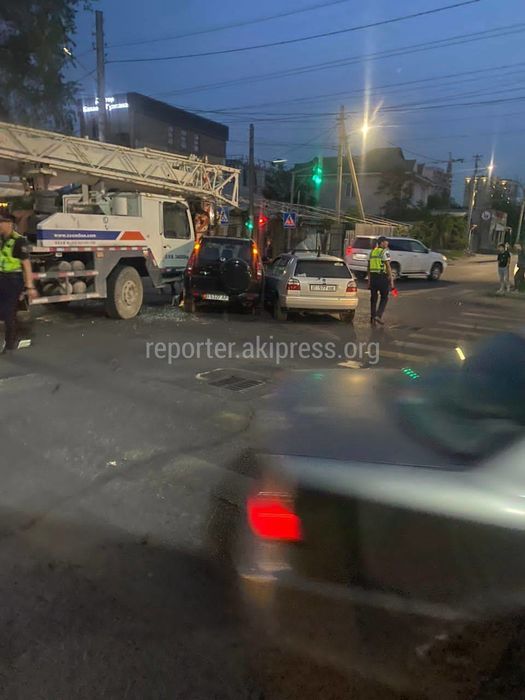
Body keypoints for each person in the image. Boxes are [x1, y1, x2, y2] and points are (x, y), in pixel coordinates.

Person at [0, 213, 37, 352]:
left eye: (1, 222)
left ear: (9, 224)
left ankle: (10, 343)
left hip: (13, 280)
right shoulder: (1, 239)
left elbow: (26, 265)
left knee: (8, 311)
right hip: (1, 278)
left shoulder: (19, 241)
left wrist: (30, 286)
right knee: (5, 311)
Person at [368, 236, 394, 325]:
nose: (387, 243)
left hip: (373, 278)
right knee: (384, 297)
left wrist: (369, 281)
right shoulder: (384, 252)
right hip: (382, 277)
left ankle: (372, 317)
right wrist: (391, 281)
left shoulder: (372, 252)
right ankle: (378, 315)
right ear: (382, 243)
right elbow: (388, 266)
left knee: (373, 298)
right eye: (386, 242)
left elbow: (368, 267)